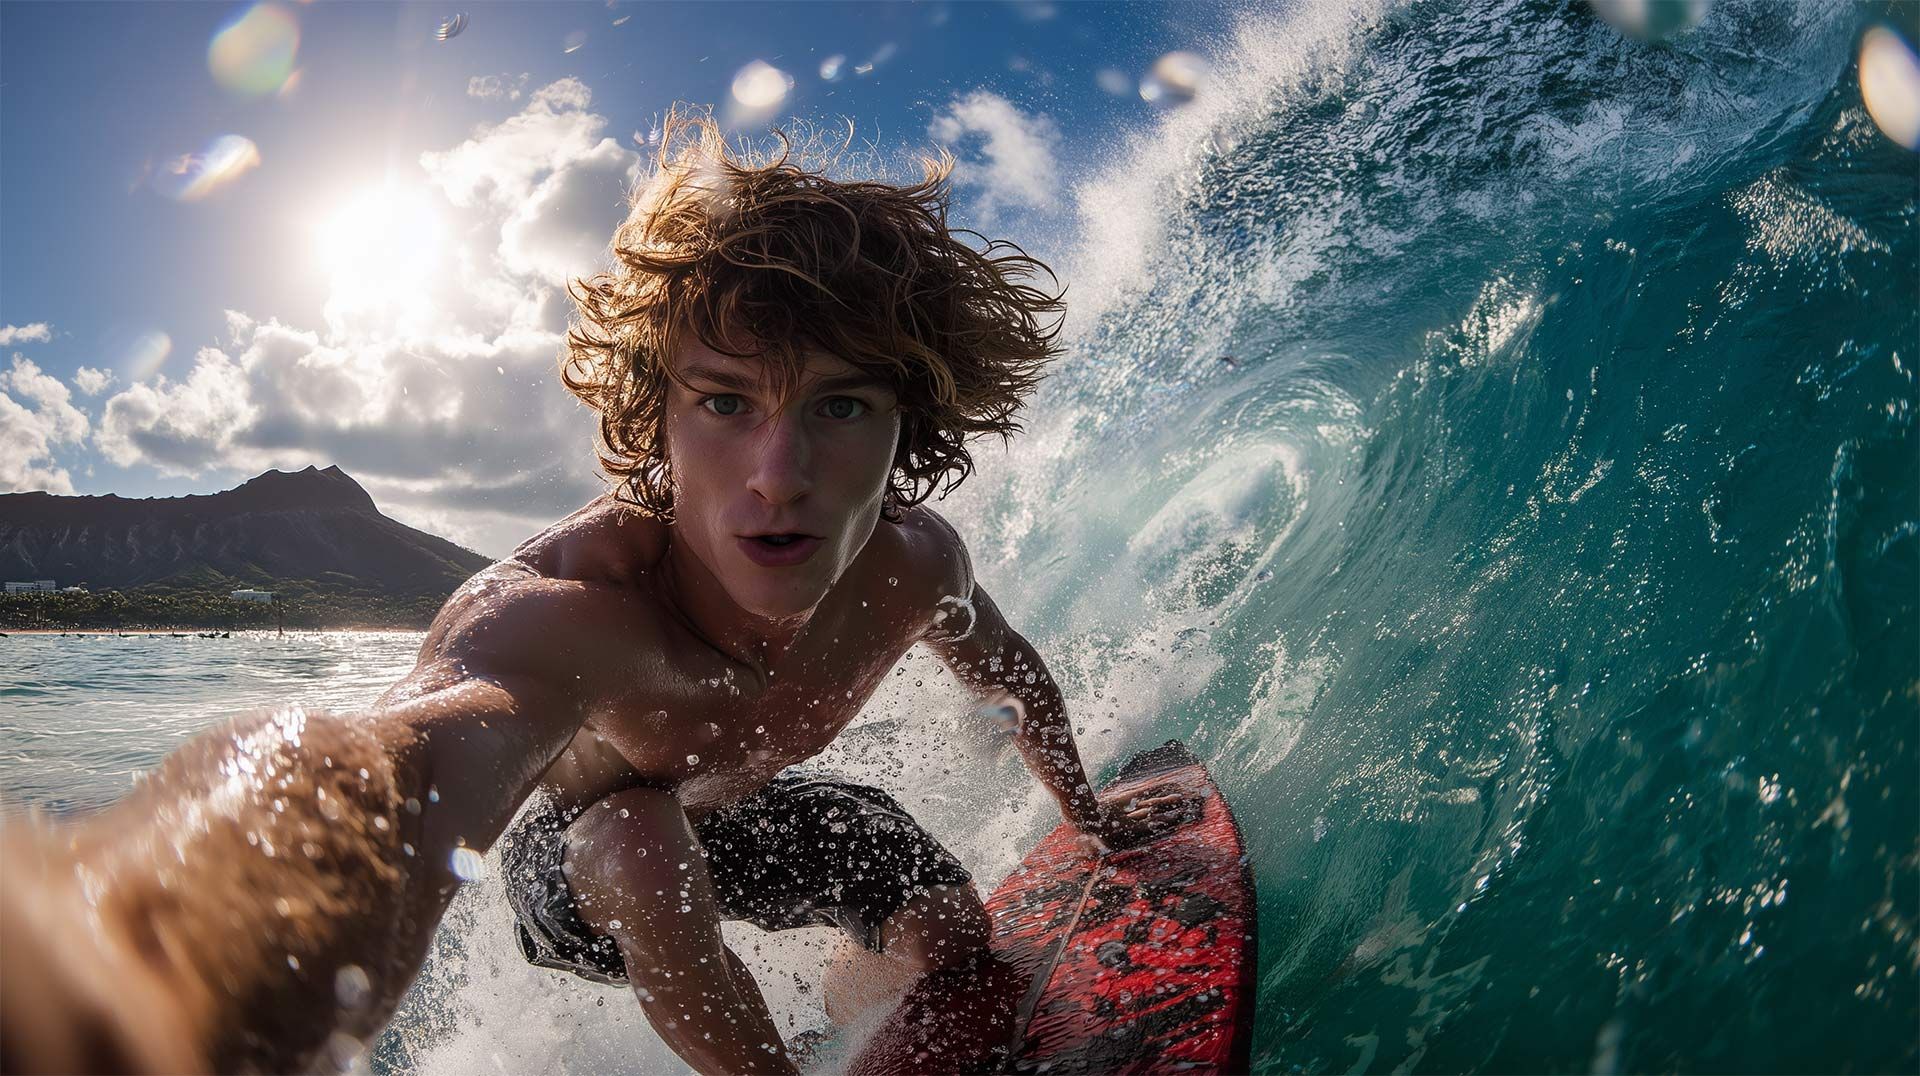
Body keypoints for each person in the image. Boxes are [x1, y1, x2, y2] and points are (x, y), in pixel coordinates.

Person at [0, 109, 1184, 1075]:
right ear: (657, 423)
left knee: (953, 936)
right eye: (725, 402)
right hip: (581, 872)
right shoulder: (558, 617)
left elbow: (1001, 661)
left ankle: (844, 1020)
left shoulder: (918, 564)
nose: (781, 476)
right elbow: (399, 768)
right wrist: (137, 962)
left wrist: (1083, 813)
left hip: (751, 818)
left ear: (902, 427)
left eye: (839, 404)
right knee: (636, 831)